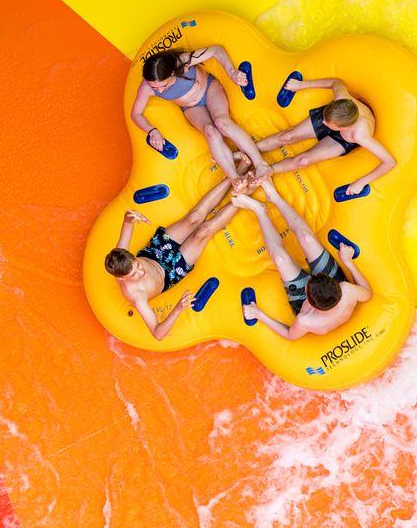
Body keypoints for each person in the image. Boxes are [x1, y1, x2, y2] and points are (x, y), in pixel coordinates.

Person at [104, 177, 245, 341]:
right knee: (202, 232)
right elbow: (158, 334)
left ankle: (236, 176)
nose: (140, 271)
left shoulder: (121, 253)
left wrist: (132, 215)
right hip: (170, 273)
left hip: (156, 252)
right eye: (134, 274)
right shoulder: (137, 296)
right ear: (122, 278)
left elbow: (127, 219)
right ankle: (244, 194)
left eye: (137, 265)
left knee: (193, 217)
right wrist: (177, 309)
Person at [233, 177, 372, 339]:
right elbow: (368, 294)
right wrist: (348, 262)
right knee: (307, 238)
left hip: (303, 301)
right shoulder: (347, 290)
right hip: (325, 292)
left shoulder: (306, 320)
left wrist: (258, 314)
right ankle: (275, 197)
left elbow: (290, 335)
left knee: (280, 259)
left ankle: (259, 210)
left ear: (307, 291)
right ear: (337, 286)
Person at [131, 47, 267, 181]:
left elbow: (216, 50)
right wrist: (152, 131)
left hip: (209, 89)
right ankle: (235, 179)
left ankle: (260, 164)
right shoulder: (146, 87)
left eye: (163, 85)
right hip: (191, 108)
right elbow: (136, 114)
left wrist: (232, 72)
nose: (159, 91)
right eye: (155, 87)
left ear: (172, 73)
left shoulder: (182, 62)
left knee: (222, 123)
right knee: (210, 131)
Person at [256, 76, 396, 197]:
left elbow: (389, 162)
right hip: (337, 118)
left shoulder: (360, 136)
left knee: (303, 161)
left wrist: (362, 182)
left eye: (326, 124)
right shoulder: (342, 97)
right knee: (287, 136)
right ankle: (249, 150)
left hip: (343, 138)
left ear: (343, 128)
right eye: (324, 120)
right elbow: (336, 82)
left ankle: (268, 170)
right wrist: (301, 85)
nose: (322, 123)